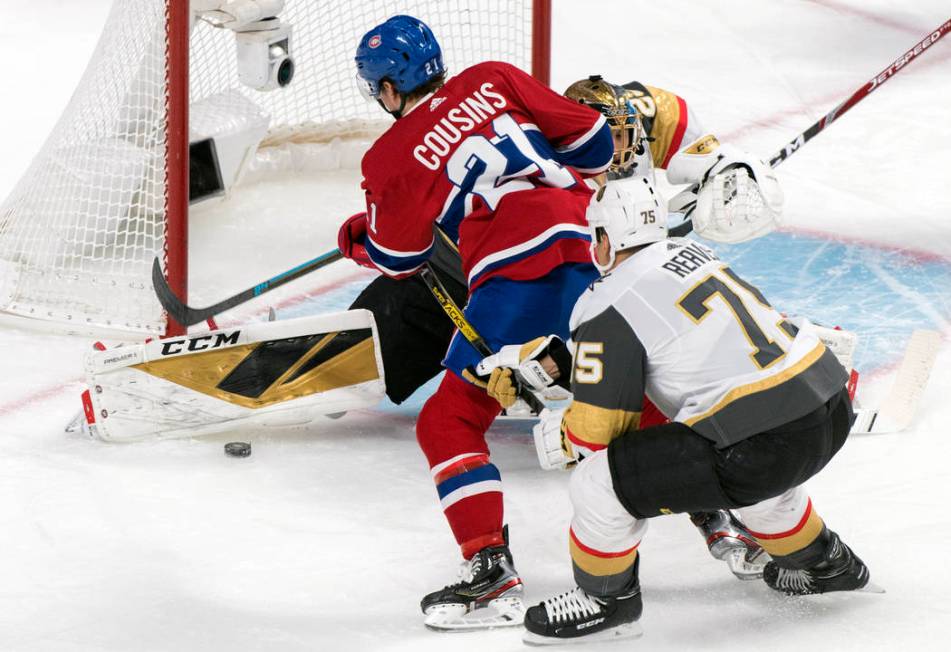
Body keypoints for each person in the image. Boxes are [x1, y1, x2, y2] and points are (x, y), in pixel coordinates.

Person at [482, 178, 873, 644]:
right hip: (827, 405)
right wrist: (574, 367)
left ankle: (607, 601)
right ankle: (828, 564)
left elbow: (595, 437)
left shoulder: (604, 305)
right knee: (760, 475)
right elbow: (677, 348)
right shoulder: (695, 255)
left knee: (598, 482)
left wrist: (560, 427)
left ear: (605, 239)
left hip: (762, 444)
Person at [351, 14, 617, 629]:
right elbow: (597, 146)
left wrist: (356, 237)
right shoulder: (493, 76)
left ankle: (491, 572)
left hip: (512, 282)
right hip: (585, 256)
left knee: (449, 422)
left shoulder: (389, 153)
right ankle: (730, 526)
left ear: (389, 89)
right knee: (626, 394)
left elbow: (399, 260)